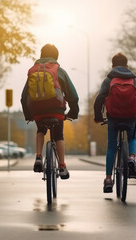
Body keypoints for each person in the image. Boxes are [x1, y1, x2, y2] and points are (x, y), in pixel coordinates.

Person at [21, 43, 79, 180]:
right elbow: (73, 96)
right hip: (56, 110)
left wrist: (29, 115)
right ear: (56, 57)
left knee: (40, 130)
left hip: (37, 110)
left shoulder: (33, 70)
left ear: (41, 55)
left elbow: (24, 97)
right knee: (58, 135)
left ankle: (38, 157)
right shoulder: (59, 71)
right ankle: (62, 166)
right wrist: (73, 112)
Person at [94, 52, 136, 193]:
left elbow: (99, 98)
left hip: (113, 117)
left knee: (112, 146)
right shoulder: (133, 80)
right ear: (127, 65)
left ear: (112, 66)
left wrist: (98, 116)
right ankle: (131, 157)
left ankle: (107, 179)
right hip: (131, 116)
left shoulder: (109, 80)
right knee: (132, 138)